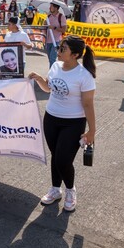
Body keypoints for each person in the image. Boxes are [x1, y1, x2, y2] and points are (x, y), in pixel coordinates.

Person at [28, 35, 96, 212]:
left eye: (62, 49)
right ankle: (55, 189)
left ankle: (70, 190)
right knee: (55, 155)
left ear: (74, 54)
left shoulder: (84, 76)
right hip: (51, 118)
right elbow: (49, 88)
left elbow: (88, 104)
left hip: (73, 123)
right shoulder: (56, 66)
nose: (58, 51)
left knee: (63, 160)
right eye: (59, 47)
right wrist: (39, 79)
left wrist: (92, 131)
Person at [45, 3, 67, 68]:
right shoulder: (48, 17)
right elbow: (45, 27)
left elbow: (64, 30)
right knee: (50, 58)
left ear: (56, 8)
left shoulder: (61, 17)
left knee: (52, 58)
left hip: (57, 41)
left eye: (51, 7)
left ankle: (52, 74)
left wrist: (54, 28)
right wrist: (45, 25)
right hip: (48, 40)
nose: (49, 8)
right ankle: (56, 70)